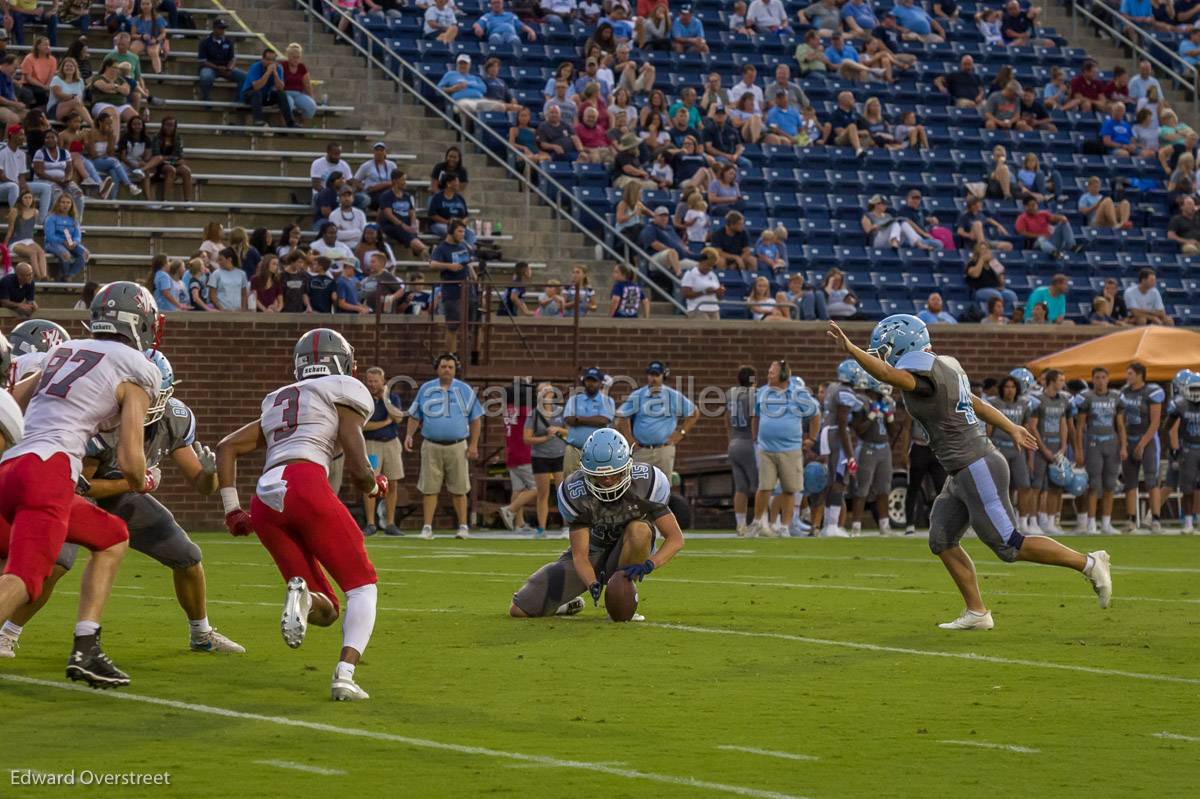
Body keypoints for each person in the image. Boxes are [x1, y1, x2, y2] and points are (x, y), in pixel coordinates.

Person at [827, 315, 1113, 630]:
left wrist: (852, 349)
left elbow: (886, 373)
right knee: (941, 538)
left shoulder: (921, 374)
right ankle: (977, 612)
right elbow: (975, 402)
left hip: (975, 465)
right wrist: (1011, 426)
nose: (883, 355)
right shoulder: (946, 365)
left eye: (886, 348)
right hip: (963, 469)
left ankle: (1088, 563)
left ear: (904, 344)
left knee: (1009, 544)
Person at [2, 348, 243, 659]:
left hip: (123, 496)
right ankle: (8, 634)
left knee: (187, 557)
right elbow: (82, 485)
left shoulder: (174, 419)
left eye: (157, 393)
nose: (151, 399)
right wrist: (136, 481)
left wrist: (211, 475)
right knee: (56, 563)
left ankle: (202, 633)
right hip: (78, 493)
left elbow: (201, 484)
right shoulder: (105, 413)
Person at [0, 282, 163, 687]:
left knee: (112, 536)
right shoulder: (138, 369)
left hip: (14, 467)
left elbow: (12, 399)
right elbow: (129, 457)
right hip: (51, 471)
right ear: (140, 323)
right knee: (25, 579)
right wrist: (142, 480)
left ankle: (86, 646)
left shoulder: (62, 350)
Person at [216, 329, 384, 701]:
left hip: (265, 496)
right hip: (304, 481)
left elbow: (226, 447)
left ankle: (305, 595)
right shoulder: (342, 390)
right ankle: (345, 674)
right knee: (362, 586)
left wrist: (233, 512)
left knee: (326, 610)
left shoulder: (278, 399)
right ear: (341, 362)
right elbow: (359, 470)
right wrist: (376, 487)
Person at [507, 427, 685, 619]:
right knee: (520, 610)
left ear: (627, 466)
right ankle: (566, 605)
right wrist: (592, 582)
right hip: (593, 552)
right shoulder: (574, 491)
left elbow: (675, 538)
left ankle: (622, 594)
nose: (608, 480)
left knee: (640, 529)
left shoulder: (647, 481)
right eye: (599, 476)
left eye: (615, 474)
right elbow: (580, 556)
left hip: (627, 548)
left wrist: (650, 564)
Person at [405, 353, 482, 541]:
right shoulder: (426, 389)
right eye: (443, 366)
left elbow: (476, 419)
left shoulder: (464, 390)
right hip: (431, 444)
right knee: (429, 488)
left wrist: (473, 444)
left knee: (460, 488)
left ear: (455, 370)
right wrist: (409, 435)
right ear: (437, 368)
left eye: (450, 367)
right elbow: (415, 415)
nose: (447, 370)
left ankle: (463, 526)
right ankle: (427, 527)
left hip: (457, 446)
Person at [749, 360, 819, 536]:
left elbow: (815, 414)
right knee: (764, 486)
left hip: (791, 449)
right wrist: (755, 438)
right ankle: (758, 523)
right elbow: (756, 416)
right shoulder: (763, 392)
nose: (769, 375)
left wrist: (812, 438)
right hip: (766, 449)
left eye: (772, 372)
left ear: (783, 375)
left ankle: (784, 527)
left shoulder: (799, 394)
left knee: (789, 489)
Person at [1072, 367, 1123, 536]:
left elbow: (1121, 425)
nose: (1100, 381)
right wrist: (1079, 450)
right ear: (1093, 380)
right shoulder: (1087, 398)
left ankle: (1106, 523)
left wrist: (1123, 446)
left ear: (1108, 379)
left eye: (1103, 377)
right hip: (1093, 443)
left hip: (1112, 442)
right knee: (1094, 485)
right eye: (1097, 377)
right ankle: (1091, 523)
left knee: (1110, 484)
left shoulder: (1116, 397)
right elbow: (1080, 427)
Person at [1119, 361, 1165, 532]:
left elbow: (1155, 423)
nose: (1127, 376)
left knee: (1151, 480)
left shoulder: (1151, 392)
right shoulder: (1124, 392)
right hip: (1129, 439)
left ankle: (1155, 519)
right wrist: (1124, 444)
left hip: (1148, 440)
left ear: (1139, 375)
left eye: (1130, 373)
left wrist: (1142, 444)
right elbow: (1121, 421)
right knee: (1130, 482)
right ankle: (1131, 520)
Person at [360, 367, 405, 537]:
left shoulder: (392, 398)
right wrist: (386, 423)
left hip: (391, 444)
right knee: (371, 483)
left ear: (383, 382)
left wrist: (385, 398)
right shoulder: (364, 400)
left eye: (375, 381)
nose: (372, 384)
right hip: (372, 444)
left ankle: (390, 523)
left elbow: (398, 418)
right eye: (369, 381)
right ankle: (371, 523)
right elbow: (365, 426)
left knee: (392, 482)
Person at [985, 376, 1034, 532]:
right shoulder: (994, 403)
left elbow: (1027, 431)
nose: (1010, 390)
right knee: (1000, 488)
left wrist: (1030, 457)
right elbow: (989, 431)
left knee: (1024, 485)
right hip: (999, 449)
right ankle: (1001, 521)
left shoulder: (1024, 404)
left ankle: (1023, 522)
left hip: (1017, 450)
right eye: (1007, 386)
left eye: (1013, 387)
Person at [1026, 369, 1070, 536]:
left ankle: (1050, 522)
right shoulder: (1038, 400)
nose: (1063, 384)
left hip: (1056, 447)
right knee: (1036, 486)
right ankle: (1032, 521)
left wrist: (1064, 446)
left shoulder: (1062, 400)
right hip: (1041, 448)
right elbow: (1032, 426)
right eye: (1060, 380)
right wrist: (1042, 448)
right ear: (1051, 381)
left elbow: (1063, 424)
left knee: (1055, 486)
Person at [525, 382, 568, 539]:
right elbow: (527, 438)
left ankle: (566, 525)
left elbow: (570, 431)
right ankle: (541, 528)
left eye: (548, 390)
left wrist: (558, 430)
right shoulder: (534, 414)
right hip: (540, 456)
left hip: (559, 455)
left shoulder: (561, 412)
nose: (545, 393)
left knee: (562, 491)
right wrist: (544, 438)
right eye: (541, 391)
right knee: (543, 493)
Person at [563, 366, 615, 476]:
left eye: (594, 381)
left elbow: (603, 421)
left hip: (598, 452)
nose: (591, 384)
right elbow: (569, 420)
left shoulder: (608, 401)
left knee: (596, 483)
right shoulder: (574, 399)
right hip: (574, 450)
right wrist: (593, 419)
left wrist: (579, 418)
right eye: (588, 380)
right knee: (570, 482)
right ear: (584, 381)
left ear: (601, 383)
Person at [726, 366, 758, 535]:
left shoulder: (731, 393)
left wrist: (729, 440)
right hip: (748, 442)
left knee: (740, 488)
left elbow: (726, 420)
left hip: (734, 442)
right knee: (761, 486)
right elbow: (755, 420)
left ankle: (741, 525)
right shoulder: (754, 395)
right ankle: (763, 523)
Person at [1167, 373, 1200, 533]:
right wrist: (1174, 450)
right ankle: (1188, 523)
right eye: (1193, 388)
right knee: (1187, 488)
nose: (1196, 392)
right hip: (1188, 449)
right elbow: (1167, 427)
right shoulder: (1180, 404)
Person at [240, 49, 295, 128]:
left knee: (281, 94)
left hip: (265, 96)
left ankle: (290, 123)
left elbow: (280, 88)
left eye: (273, 60)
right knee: (257, 93)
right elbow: (256, 87)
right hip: (250, 95)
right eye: (268, 59)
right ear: (263, 59)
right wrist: (267, 73)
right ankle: (258, 120)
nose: (270, 62)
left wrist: (275, 74)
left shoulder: (278, 68)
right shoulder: (255, 67)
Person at [197, 18, 246, 103]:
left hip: (226, 68)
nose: (222, 31)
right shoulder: (205, 42)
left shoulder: (228, 41)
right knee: (205, 76)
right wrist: (217, 67)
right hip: (210, 67)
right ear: (214, 29)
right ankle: (206, 98)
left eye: (223, 29)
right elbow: (202, 61)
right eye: (220, 28)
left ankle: (238, 101)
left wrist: (230, 67)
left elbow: (232, 58)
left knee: (245, 77)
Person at [680, 247, 724, 320]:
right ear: (701, 261)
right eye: (708, 265)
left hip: (714, 309)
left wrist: (719, 292)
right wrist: (704, 291)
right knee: (705, 329)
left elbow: (719, 297)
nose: (710, 268)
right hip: (697, 309)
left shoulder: (713, 275)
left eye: (712, 266)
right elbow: (686, 294)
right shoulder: (690, 273)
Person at [472, 0, 537, 45]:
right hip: (495, 34)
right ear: (491, 5)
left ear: (502, 4)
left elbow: (521, 25)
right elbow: (476, 24)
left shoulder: (511, 15)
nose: (496, 5)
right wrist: (478, 28)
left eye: (498, 2)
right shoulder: (487, 16)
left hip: (511, 35)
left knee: (515, 39)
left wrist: (531, 31)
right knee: (495, 38)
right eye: (494, 3)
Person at [208, 247, 249, 311]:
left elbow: (244, 294)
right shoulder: (216, 274)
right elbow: (212, 295)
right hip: (222, 313)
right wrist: (222, 309)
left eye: (221, 259)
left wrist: (243, 308)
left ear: (229, 259)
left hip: (238, 312)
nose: (218, 262)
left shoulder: (242, 274)